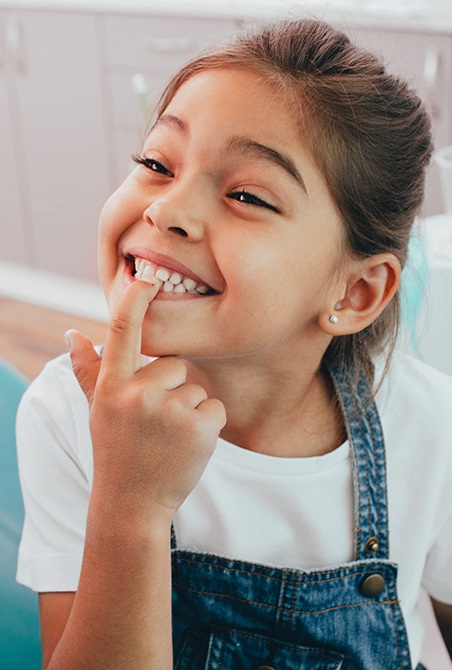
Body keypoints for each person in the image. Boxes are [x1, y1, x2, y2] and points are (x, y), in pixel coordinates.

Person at [15, 18, 452, 669]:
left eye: (246, 194)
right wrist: (129, 505)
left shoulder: (431, 426)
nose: (165, 210)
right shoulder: (70, 411)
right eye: (156, 163)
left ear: (354, 294)